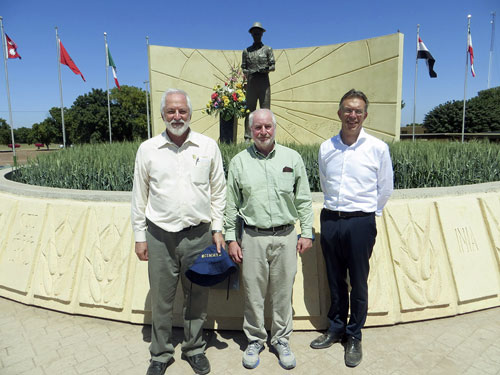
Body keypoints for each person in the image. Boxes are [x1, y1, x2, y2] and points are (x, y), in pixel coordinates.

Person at [131, 88, 226, 375]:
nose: (176, 116)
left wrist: (218, 229)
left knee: (197, 297)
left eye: (181, 110)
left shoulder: (208, 147)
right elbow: (139, 196)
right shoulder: (148, 149)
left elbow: (218, 192)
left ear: (190, 113)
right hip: (159, 236)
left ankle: (194, 349)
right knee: (162, 299)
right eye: (171, 111)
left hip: (199, 235)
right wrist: (139, 237)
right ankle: (160, 354)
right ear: (162, 114)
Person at [224, 108, 314, 370]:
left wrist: (306, 232)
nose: (263, 132)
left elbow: (304, 200)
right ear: (250, 131)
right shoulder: (239, 162)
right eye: (257, 128)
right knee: (253, 293)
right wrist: (231, 238)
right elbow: (231, 204)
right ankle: (254, 340)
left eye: (267, 127)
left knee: (283, 292)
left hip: (286, 236)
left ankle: (282, 340)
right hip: (252, 237)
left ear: (275, 128)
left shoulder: (292, 158)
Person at [310, 89, 393, 367]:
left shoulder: (378, 148)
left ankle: (354, 335)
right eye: (347, 109)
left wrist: (369, 214)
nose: (352, 115)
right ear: (339, 113)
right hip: (331, 219)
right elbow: (324, 182)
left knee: (358, 280)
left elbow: (385, 188)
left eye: (358, 111)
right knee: (334, 278)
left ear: (365, 115)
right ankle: (335, 327)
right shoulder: (326, 147)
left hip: (361, 222)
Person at [242, 22, 275, 142]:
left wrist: (264, 69)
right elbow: (243, 67)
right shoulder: (247, 51)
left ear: (262, 34)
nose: (256, 35)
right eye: (254, 33)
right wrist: (249, 71)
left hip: (264, 84)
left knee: (266, 111)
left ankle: (269, 137)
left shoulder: (267, 49)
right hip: (251, 84)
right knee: (249, 111)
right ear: (251, 34)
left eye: (258, 33)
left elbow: (273, 66)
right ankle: (247, 137)